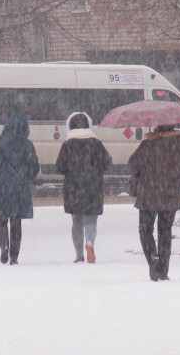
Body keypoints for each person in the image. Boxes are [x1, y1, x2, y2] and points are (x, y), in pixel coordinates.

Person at [128, 124, 180, 281]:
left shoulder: (148, 145)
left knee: (145, 229)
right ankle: (163, 269)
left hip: (149, 194)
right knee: (165, 231)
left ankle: (153, 259)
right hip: (171, 194)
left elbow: (133, 163)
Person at [0, 114, 40, 265]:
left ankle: (4, 246)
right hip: (19, 186)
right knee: (16, 221)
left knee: (1, 218)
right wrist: (31, 177)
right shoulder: (27, 144)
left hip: (0, 185)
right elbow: (34, 166)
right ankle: (14, 256)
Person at [56, 112, 112, 263]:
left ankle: (79, 254)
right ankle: (90, 243)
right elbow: (107, 163)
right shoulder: (96, 144)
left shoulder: (67, 145)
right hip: (93, 187)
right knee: (91, 220)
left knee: (77, 222)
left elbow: (60, 167)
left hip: (74, 189)